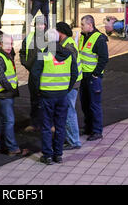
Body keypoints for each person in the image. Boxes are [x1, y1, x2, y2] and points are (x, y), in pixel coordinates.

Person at [30, 29, 79, 165]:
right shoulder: (68, 54)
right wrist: (66, 88)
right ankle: (58, 154)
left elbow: (34, 74)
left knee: (46, 126)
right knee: (60, 125)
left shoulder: (44, 53)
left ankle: (47, 155)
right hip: (62, 95)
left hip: (47, 95)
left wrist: (39, 90)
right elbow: (74, 73)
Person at [0, 33, 28, 156]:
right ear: (0, 44)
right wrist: (11, 89)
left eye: (11, 44)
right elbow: (1, 77)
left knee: (3, 121)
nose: (9, 46)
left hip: (4, 94)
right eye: (6, 44)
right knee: (9, 121)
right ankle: (12, 148)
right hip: (3, 94)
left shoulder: (5, 55)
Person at [78, 15, 109, 142]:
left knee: (94, 105)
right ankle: (88, 127)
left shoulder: (99, 39)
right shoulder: (83, 37)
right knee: (85, 104)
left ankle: (97, 131)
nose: (81, 27)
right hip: (84, 76)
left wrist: (95, 74)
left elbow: (104, 59)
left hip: (93, 77)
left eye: (82, 25)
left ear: (90, 25)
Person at [56, 22, 83, 150]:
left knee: (69, 112)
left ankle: (74, 141)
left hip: (71, 84)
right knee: (68, 111)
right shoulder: (67, 43)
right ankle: (71, 139)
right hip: (71, 83)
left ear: (61, 32)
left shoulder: (68, 45)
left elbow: (71, 67)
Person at [19, 15, 47, 133]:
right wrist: (27, 64)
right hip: (33, 75)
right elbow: (22, 53)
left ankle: (46, 123)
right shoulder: (29, 38)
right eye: (38, 24)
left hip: (47, 75)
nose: (40, 26)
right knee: (34, 100)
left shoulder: (50, 38)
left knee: (46, 101)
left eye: (42, 24)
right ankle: (35, 123)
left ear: (45, 25)